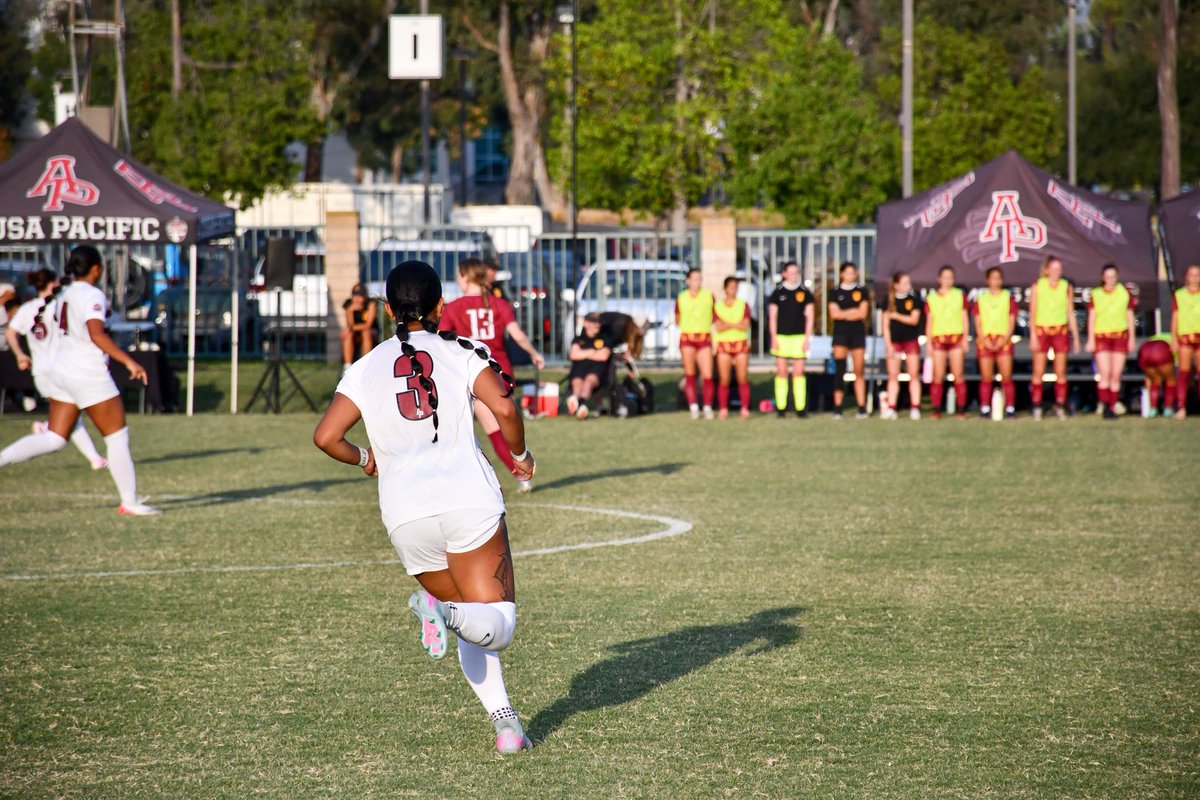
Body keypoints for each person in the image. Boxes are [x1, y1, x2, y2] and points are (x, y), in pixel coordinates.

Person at [313, 260, 534, 755]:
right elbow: (503, 408)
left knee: (468, 620)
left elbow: (326, 437)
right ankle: (444, 613)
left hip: (405, 515)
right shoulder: (460, 351)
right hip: (466, 500)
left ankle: (506, 726)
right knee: (495, 626)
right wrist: (520, 457)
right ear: (440, 306)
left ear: (387, 308)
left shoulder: (364, 366)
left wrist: (367, 458)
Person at [0, 246, 158, 515]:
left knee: (55, 438)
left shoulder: (63, 293)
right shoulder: (91, 293)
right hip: (87, 373)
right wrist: (128, 361)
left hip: (60, 370)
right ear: (96, 268)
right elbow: (96, 334)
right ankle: (129, 502)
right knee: (117, 437)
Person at [440, 259, 544, 492]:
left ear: (465, 277)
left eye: (458, 275)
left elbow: (442, 340)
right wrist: (533, 353)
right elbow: (516, 334)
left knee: (492, 430)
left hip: (472, 373)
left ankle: (521, 474)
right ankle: (522, 468)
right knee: (508, 424)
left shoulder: (455, 307)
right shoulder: (498, 304)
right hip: (500, 371)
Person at [4, 268, 107, 469]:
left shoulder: (27, 309)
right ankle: (93, 457)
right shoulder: (58, 306)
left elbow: (10, 332)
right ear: (52, 284)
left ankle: (52, 429)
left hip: (41, 373)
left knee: (70, 417)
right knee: (67, 423)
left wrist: (20, 354)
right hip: (60, 371)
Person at [1028, 255, 1081, 420]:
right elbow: (1033, 312)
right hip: (1042, 330)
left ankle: (1060, 405)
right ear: (1046, 270)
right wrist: (1033, 335)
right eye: (1053, 268)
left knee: (1060, 371)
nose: (1056, 272)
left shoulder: (1066, 286)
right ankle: (1037, 406)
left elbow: (1070, 312)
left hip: (1060, 330)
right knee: (1038, 371)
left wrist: (1076, 337)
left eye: (1059, 269)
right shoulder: (1038, 285)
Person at [1086, 263, 1137, 419]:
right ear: (1103, 278)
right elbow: (1092, 317)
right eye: (1108, 277)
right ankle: (1105, 404)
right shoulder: (1096, 294)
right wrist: (1090, 339)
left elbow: (1129, 316)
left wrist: (1132, 338)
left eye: (1113, 277)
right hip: (1102, 336)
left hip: (1120, 336)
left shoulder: (1124, 293)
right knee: (1105, 372)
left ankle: (1113, 405)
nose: (1111, 280)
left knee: (1116, 374)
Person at [766, 261, 814, 418]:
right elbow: (772, 316)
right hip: (781, 337)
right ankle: (781, 407)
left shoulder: (804, 292)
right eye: (790, 272)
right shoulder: (777, 292)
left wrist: (807, 338)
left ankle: (800, 407)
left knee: (799, 372)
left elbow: (810, 316)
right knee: (781, 372)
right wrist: (773, 337)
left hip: (799, 337)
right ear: (784, 274)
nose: (793, 275)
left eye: (796, 272)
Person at [971, 266, 1018, 419]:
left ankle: (1010, 407)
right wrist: (984, 340)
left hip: (1003, 341)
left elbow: (1011, 321)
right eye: (993, 278)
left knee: (1006, 376)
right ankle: (985, 407)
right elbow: (977, 322)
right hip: (986, 341)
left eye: (998, 278)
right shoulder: (982, 299)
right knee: (986, 377)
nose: (996, 281)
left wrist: (1003, 340)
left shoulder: (1007, 298)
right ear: (987, 280)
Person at [923, 265, 968, 420]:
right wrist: (928, 342)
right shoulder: (932, 298)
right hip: (938, 339)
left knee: (958, 374)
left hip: (956, 338)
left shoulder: (959, 295)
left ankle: (961, 410)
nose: (947, 280)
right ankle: (936, 410)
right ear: (939, 279)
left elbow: (964, 317)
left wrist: (965, 338)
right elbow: (929, 321)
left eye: (950, 277)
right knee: (938, 375)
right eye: (945, 277)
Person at [828, 262, 871, 419]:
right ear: (841, 274)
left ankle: (861, 407)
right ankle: (838, 408)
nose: (850, 275)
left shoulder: (862, 291)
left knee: (858, 371)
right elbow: (834, 314)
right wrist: (853, 311)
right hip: (840, 334)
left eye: (853, 272)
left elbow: (862, 313)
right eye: (847, 273)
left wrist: (845, 313)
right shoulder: (835, 292)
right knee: (840, 370)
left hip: (857, 334)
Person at [879, 271, 923, 420]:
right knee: (893, 376)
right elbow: (885, 325)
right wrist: (888, 345)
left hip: (910, 341)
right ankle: (892, 407)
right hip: (895, 342)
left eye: (908, 283)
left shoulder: (914, 299)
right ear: (896, 285)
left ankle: (915, 407)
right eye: (904, 283)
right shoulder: (888, 301)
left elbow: (914, 320)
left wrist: (896, 315)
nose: (907, 286)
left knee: (914, 374)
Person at [675, 268, 715, 419]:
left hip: (704, 338)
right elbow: (678, 317)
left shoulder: (708, 296)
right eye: (694, 279)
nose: (697, 282)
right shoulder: (682, 297)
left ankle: (707, 407)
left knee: (707, 375)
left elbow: (714, 316)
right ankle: (693, 407)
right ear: (688, 281)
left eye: (699, 278)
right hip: (687, 338)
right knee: (690, 374)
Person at [713, 275, 751, 420]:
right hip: (724, 344)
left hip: (740, 343)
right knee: (724, 378)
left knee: (742, 378)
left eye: (735, 287)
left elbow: (745, 325)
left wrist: (728, 323)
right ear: (725, 289)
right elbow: (719, 327)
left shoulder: (743, 304)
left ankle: (745, 408)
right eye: (730, 287)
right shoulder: (718, 306)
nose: (733, 290)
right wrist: (736, 323)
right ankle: (723, 409)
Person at [566, 312, 611, 420]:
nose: (597, 325)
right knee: (577, 383)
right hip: (579, 369)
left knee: (588, 382)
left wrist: (583, 353)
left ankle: (578, 403)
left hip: (596, 370)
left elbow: (604, 356)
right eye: (594, 322)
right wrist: (594, 351)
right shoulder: (578, 339)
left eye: (599, 322)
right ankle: (579, 405)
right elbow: (573, 354)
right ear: (586, 323)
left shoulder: (605, 338)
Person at [1171, 263, 1200, 419]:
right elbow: (1175, 318)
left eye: (1197, 275)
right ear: (1187, 277)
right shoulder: (1180, 295)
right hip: (1185, 338)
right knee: (1184, 372)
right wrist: (1174, 338)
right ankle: (1181, 407)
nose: (1195, 278)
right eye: (1192, 275)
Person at [1137, 333, 1176, 418]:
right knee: (1170, 380)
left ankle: (1153, 409)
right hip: (1161, 349)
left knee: (1155, 381)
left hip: (1146, 349)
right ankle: (1168, 409)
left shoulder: (1161, 336)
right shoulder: (1178, 339)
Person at [340, 283, 377, 368]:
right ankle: (347, 366)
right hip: (355, 332)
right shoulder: (348, 304)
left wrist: (351, 328)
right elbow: (349, 324)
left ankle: (366, 364)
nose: (357, 299)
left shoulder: (370, 303)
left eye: (360, 296)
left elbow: (368, 325)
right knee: (348, 334)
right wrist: (350, 311)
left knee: (365, 332)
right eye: (355, 296)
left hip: (370, 331)